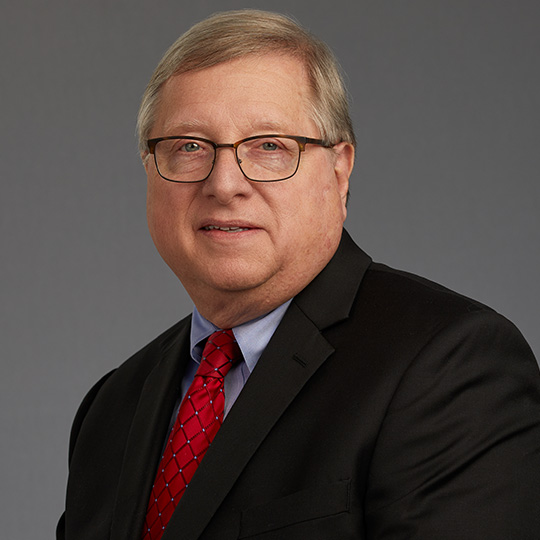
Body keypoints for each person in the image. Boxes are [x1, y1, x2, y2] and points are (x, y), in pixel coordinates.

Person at [57, 9, 540, 540]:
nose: (224, 184)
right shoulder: (111, 409)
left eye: (269, 146)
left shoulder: (449, 365)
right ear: (149, 172)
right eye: (189, 146)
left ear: (339, 173)